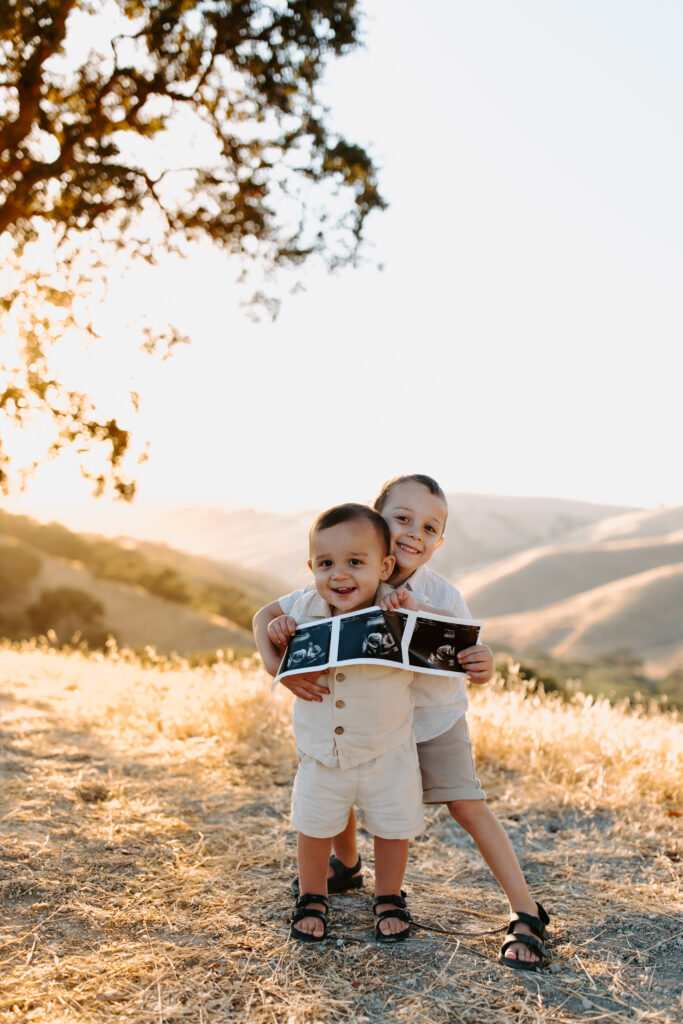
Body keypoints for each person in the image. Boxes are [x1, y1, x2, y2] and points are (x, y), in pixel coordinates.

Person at [253, 475, 550, 970]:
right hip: (369, 722)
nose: (415, 532)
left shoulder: (437, 591)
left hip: (431, 720)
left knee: (465, 804)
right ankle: (346, 865)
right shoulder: (347, 575)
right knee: (339, 774)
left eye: (430, 527)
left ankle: (525, 910)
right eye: (403, 518)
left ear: (439, 540)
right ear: (376, 520)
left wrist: (485, 663)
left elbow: (470, 648)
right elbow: (267, 615)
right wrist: (279, 668)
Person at [263, 503, 425, 944]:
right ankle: (313, 896)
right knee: (314, 826)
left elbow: (433, 638)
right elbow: (268, 621)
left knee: (392, 829)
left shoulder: (398, 607)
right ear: (311, 567)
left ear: (385, 566)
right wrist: (278, 637)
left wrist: (406, 609)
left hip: (386, 751)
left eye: (356, 562)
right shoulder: (304, 605)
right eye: (326, 563)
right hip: (321, 752)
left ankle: (389, 895)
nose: (339, 575)